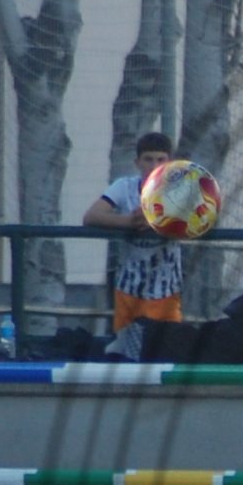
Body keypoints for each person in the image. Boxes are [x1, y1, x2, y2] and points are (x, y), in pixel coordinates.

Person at [82, 132, 184, 356]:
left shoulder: (178, 190)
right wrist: (129, 222)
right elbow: (91, 216)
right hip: (130, 288)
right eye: (148, 159)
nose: (154, 165)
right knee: (130, 358)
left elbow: (196, 220)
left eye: (160, 159)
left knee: (165, 356)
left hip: (167, 290)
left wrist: (157, 221)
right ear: (137, 162)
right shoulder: (124, 187)